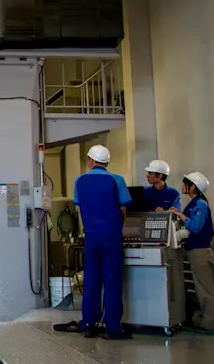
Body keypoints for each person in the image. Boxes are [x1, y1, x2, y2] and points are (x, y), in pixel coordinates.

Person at [53, 145, 133, 339]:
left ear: (90, 160)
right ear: (107, 162)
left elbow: (81, 207)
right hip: (112, 236)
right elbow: (123, 209)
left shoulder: (80, 181)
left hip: (91, 236)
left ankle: (89, 324)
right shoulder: (117, 180)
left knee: (91, 280)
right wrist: (116, 227)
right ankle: (112, 327)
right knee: (112, 281)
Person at [168, 172, 214, 331]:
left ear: (193, 187)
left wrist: (179, 214)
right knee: (199, 287)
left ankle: (209, 323)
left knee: (205, 289)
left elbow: (195, 227)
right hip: (193, 250)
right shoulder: (193, 204)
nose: (183, 186)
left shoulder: (200, 205)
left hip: (200, 252)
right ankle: (202, 319)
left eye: (186, 183)